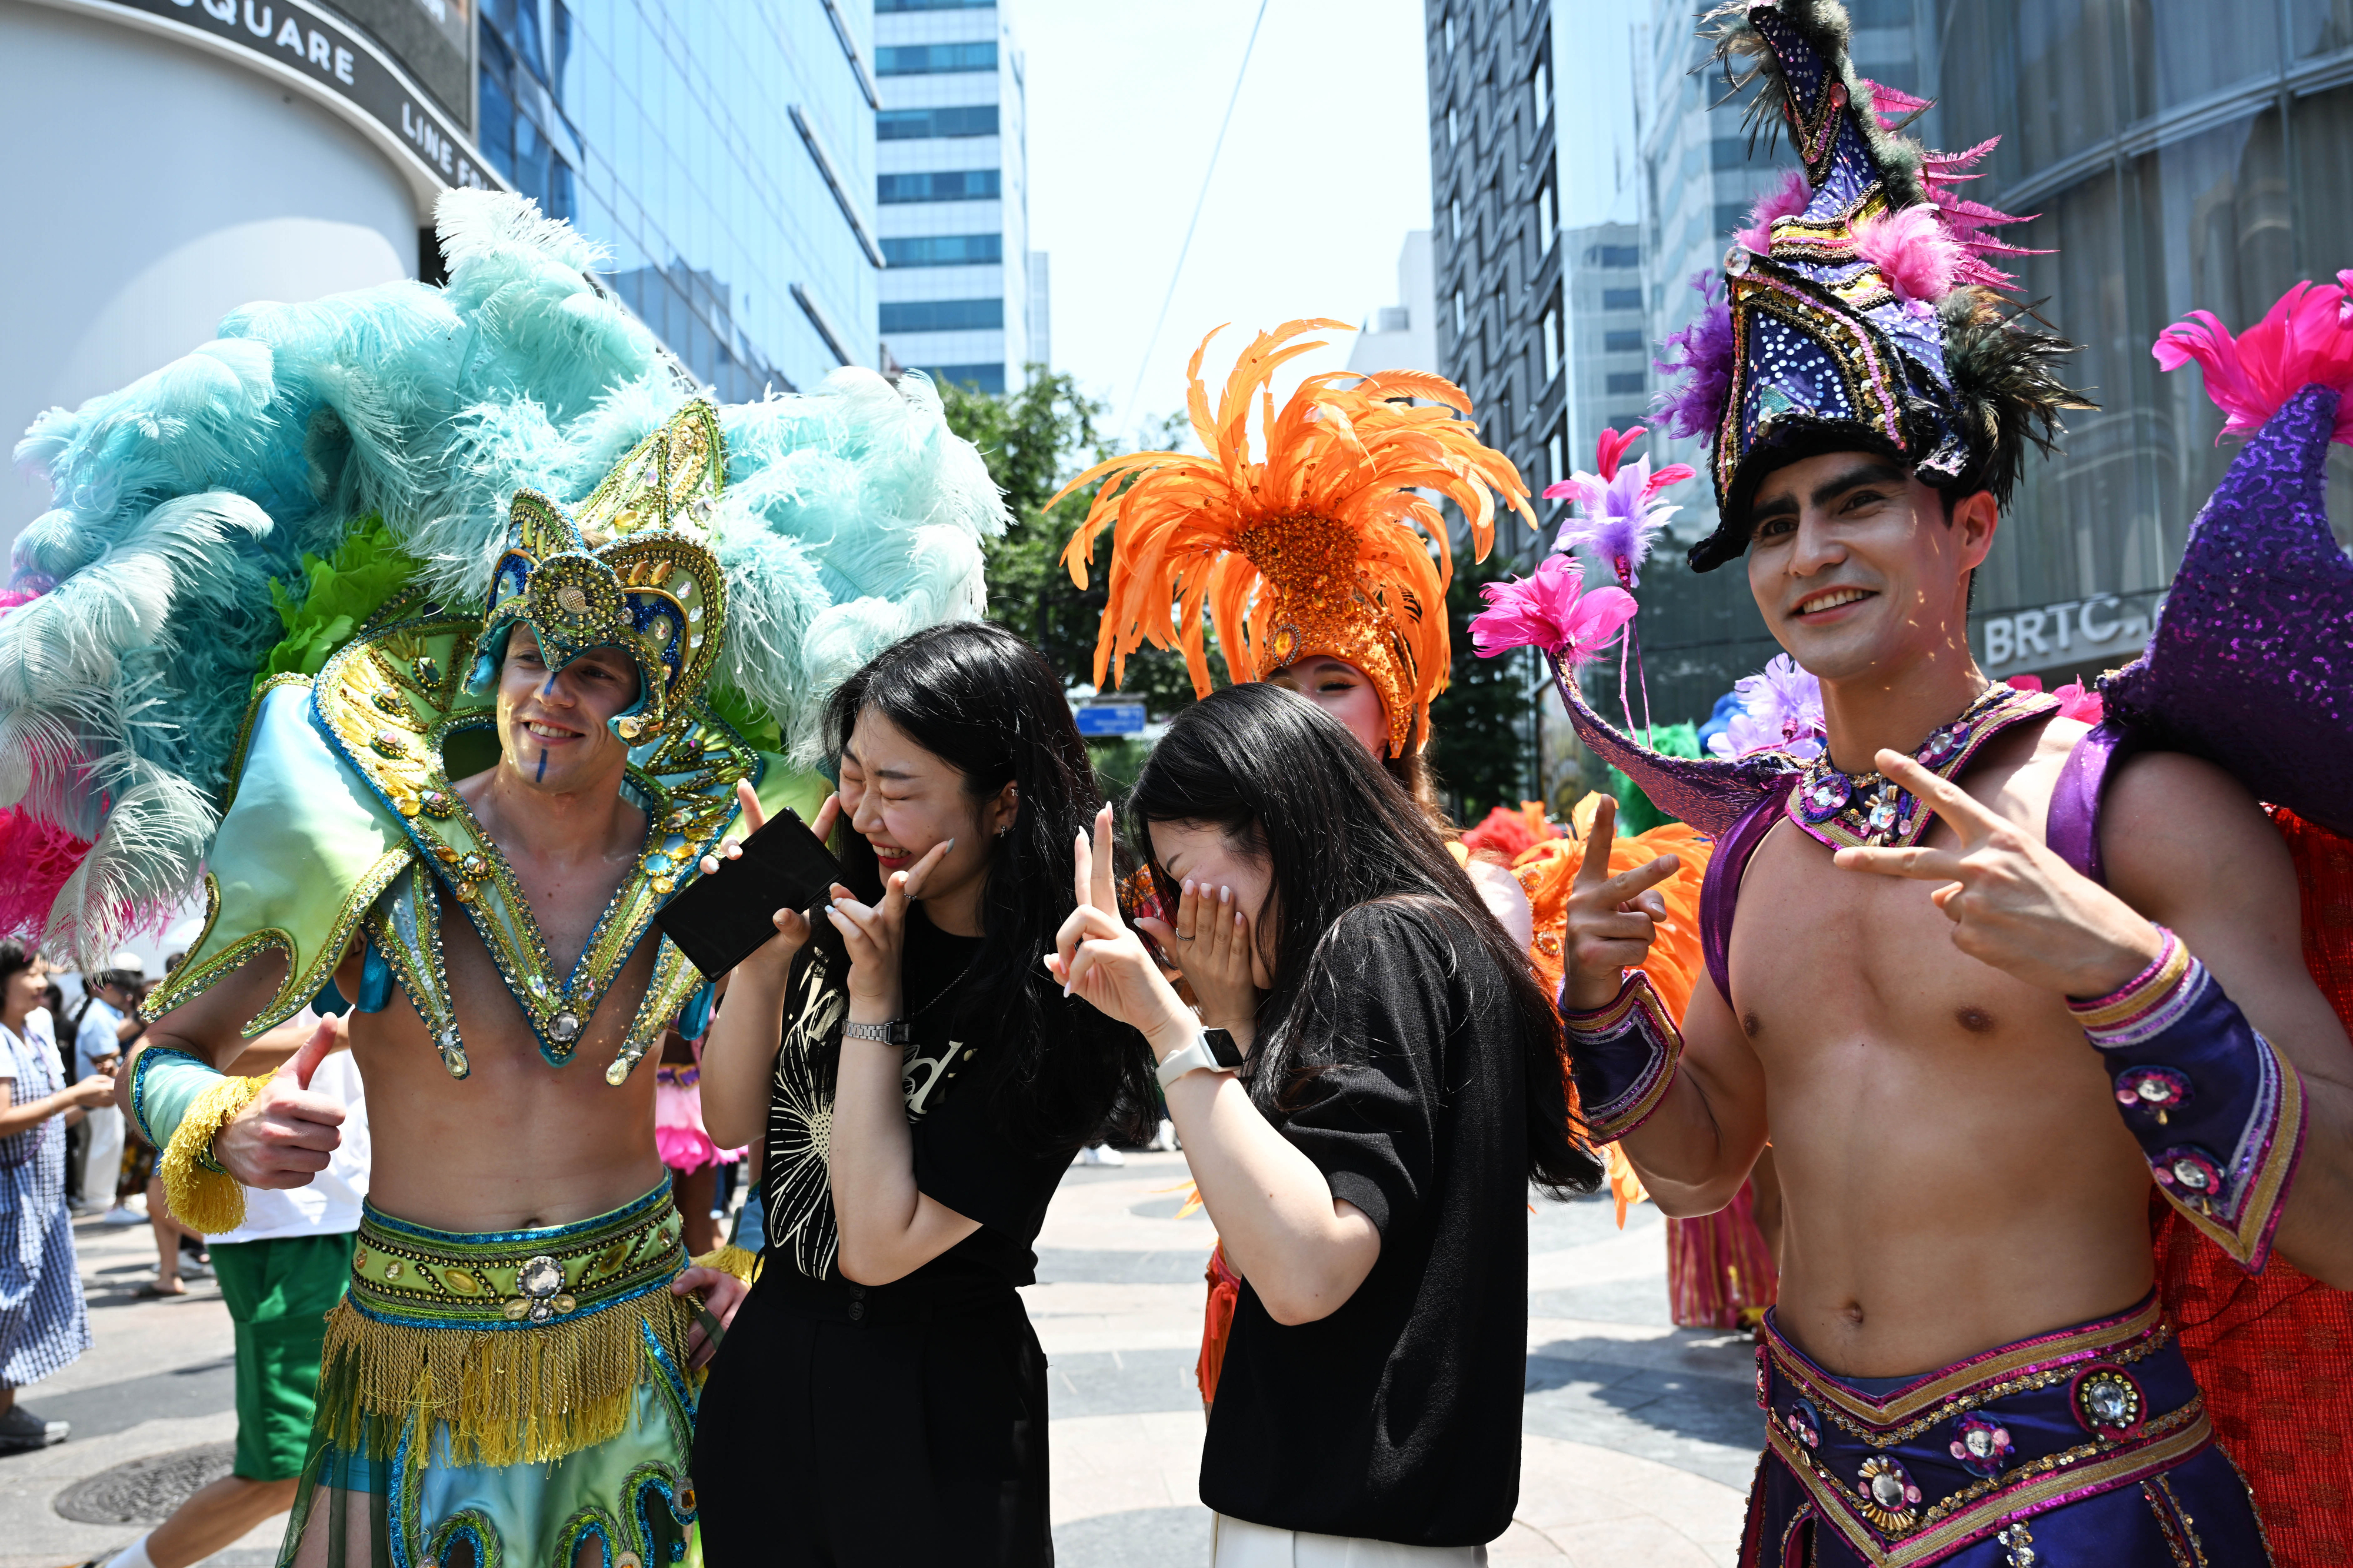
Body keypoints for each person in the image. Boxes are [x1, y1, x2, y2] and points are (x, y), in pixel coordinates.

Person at [0, 189, 1002, 1567]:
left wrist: (784, 986)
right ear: (496, 661)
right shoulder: (369, 824)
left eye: (595, 670)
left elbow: (758, 1044)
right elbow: (167, 1048)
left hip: (629, 1350)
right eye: (534, 656)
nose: (553, 695)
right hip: (411, 1368)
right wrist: (218, 1119)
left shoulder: (700, 850)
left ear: (644, 697)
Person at [1509, 5, 2353, 1560]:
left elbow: (2341, 1218)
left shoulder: (2134, 807)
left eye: (1857, 505)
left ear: (1967, 527)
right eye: (1770, 527)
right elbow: (1702, 1175)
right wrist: (1604, 1013)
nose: (1810, 553)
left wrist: (2131, 975)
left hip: (2085, 1511)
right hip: (1813, 1499)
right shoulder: (1758, 856)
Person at [1048, 682, 1603, 1564]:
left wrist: (1170, 1029)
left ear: (1277, 830)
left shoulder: (1373, 943)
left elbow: (1306, 1266)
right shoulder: (1436, 938)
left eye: (1189, 877)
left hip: (1332, 1529)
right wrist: (1230, 1016)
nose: (1187, 915)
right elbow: (1311, 1178)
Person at [689, 621, 1155, 1567]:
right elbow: (729, 1121)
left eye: (898, 789)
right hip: (772, 1366)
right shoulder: (842, 913)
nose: (862, 814)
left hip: (933, 1402)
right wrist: (768, 958)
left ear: (1003, 801)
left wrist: (875, 1000)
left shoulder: (1063, 993)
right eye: (852, 775)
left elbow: (876, 1247)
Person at [1052, 319, 1540, 947]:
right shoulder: (1194, 886)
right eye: (1281, 687)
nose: (1301, 709)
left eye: (1334, 685)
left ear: (1394, 721)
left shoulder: (1476, 895)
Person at [96, 1007, 370, 1568]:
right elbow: (155, 1061)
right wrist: (360, 1029)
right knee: (288, 1466)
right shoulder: (261, 937)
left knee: (371, 1456)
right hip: (293, 1232)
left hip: (368, 1223)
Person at [0, 939, 111, 1452]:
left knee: (24, 1306)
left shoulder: (36, 1031)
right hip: (10, 1198)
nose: (44, 983)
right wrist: (73, 1095)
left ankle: (7, 1410)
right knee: (8, 1304)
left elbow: (49, 1119)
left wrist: (90, 1099)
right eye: (32, 974)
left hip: (39, 1195)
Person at [652, 1024, 739, 1257]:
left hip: (695, 1102)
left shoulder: (715, 987)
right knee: (657, 1228)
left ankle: (700, 1286)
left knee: (699, 1229)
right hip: (649, 1108)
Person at [73, 954, 145, 1220]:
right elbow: (105, 1056)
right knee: (106, 1143)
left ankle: (102, 1200)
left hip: (101, 1089)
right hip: (99, 1090)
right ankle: (102, 1203)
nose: (127, 998)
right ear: (108, 988)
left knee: (108, 1142)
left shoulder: (103, 1012)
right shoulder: (99, 1015)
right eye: (124, 992)